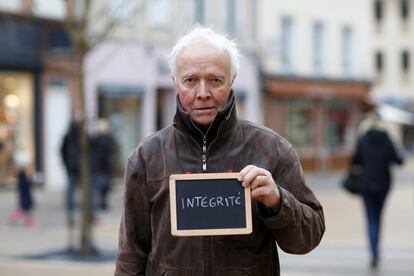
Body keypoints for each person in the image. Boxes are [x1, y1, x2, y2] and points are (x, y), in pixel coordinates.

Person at [114, 27, 325, 276]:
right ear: (175, 83)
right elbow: (131, 254)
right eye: (190, 80)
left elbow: (307, 240)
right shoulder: (147, 157)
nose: (203, 93)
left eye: (215, 80)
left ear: (232, 80)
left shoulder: (273, 150)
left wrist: (278, 202)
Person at [351, 111, 403, 269]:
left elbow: (355, 159)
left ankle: (373, 253)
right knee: (378, 217)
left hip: (366, 185)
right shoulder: (387, 139)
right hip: (383, 185)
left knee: (370, 218)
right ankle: (376, 251)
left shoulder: (364, 138)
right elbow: (398, 160)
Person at [90, 118, 117, 211]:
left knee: (100, 188)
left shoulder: (96, 139)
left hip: (100, 167)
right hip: (104, 167)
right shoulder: (108, 139)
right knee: (103, 187)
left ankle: (101, 204)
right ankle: (103, 204)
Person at [60, 120, 81, 227]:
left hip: (72, 168)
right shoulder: (81, 136)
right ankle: (76, 217)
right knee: (79, 192)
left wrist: (66, 164)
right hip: (78, 169)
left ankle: (71, 216)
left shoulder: (68, 136)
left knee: (71, 192)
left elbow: (62, 151)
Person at [9, 148, 34, 227]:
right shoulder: (23, 177)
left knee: (21, 210)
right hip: (25, 197)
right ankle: (26, 222)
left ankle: (14, 219)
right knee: (24, 211)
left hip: (24, 198)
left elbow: (23, 187)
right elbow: (26, 187)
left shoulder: (22, 177)